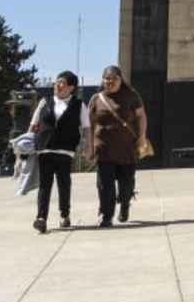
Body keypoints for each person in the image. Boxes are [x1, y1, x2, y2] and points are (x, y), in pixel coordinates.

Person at [29, 71, 90, 233]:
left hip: (65, 150)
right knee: (45, 185)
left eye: (62, 82)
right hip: (45, 148)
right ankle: (41, 218)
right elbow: (34, 124)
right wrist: (27, 145)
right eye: (56, 82)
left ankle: (64, 214)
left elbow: (86, 128)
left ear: (71, 87)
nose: (57, 85)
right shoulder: (45, 102)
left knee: (64, 183)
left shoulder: (79, 105)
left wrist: (86, 146)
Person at [87, 64, 147, 227]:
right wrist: (90, 147)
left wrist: (142, 136)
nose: (110, 82)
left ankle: (125, 204)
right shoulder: (96, 99)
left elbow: (141, 116)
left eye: (114, 79)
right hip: (104, 149)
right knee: (105, 185)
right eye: (107, 79)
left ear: (121, 80)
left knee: (126, 183)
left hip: (127, 149)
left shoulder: (131, 95)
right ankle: (106, 216)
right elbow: (90, 125)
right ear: (102, 80)